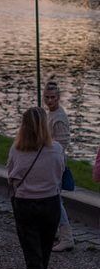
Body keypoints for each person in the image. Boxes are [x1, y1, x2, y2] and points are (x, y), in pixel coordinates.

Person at [7, 107, 65, 269]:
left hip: (25, 205)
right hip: (50, 205)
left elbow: (10, 175)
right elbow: (60, 173)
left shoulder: (16, 149)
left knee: (33, 258)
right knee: (44, 254)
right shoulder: (57, 149)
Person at [43, 80, 74, 252]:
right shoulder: (50, 114)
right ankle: (55, 231)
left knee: (55, 199)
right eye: (47, 97)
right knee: (52, 198)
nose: (49, 101)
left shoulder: (59, 118)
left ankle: (67, 237)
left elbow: (63, 143)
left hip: (56, 164)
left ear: (59, 97)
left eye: (53, 97)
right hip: (50, 161)